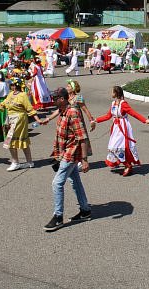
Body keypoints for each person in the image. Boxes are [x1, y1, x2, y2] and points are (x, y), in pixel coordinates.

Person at [44, 87, 92, 232]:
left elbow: (82, 137)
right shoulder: (62, 111)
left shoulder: (73, 113)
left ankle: (58, 217)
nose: (53, 100)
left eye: (55, 98)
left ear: (63, 99)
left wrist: (84, 160)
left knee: (57, 183)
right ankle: (85, 210)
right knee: (75, 181)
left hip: (71, 153)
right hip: (64, 152)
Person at [0, 77, 43, 171]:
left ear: (15, 86)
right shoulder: (10, 94)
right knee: (22, 140)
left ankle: (15, 162)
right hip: (12, 119)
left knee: (10, 140)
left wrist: (38, 120)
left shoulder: (23, 95)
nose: (10, 86)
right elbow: (2, 105)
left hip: (20, 119)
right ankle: (29, 162)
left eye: (11, 84)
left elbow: (30, 109)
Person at [92, 86, 149, 176]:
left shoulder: (123, 104)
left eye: (112, 92)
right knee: (115, 147)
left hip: (123, 127)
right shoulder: (113, 104)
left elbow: (133, 113)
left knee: (118, 147)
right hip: (116, 128)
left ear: (116, 93)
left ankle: (128, 165)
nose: (111, 93)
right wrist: (96, 120)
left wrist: (145, 120)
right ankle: (127, 164)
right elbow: (108, 116)